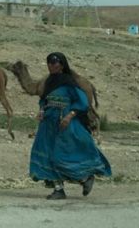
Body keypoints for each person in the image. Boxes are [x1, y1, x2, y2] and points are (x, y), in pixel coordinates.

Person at [29, 52, 111, 200]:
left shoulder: (69, 82)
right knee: (47, 154)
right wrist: (41, 110)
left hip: (64, 122)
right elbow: (44, 100)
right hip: (48, 122)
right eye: (49, 62)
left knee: (63, 154)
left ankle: (85, 178)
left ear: (61, 65)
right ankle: (59, 190)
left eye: (54, 63)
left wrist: (69, 115)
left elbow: (82, 102)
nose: (51, 66)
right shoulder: (48, 82)